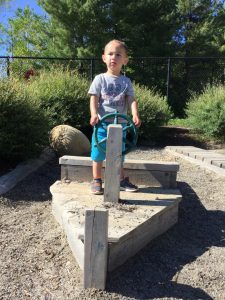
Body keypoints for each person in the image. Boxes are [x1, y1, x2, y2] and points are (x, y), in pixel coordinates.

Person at [88, 39, 141, 195]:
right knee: (98, 152)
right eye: (110, 54)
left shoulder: (126, 81)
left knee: (119, 154)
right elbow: (94, 98)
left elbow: (131, 99)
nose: (113, 57)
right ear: (104, 57)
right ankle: (97, 179)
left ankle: (120, 179)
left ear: (125, 60)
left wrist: (135, 114)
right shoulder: (100, 79)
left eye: (118, 54)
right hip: (102, 124)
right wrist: (93, 114)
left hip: (121, 125)